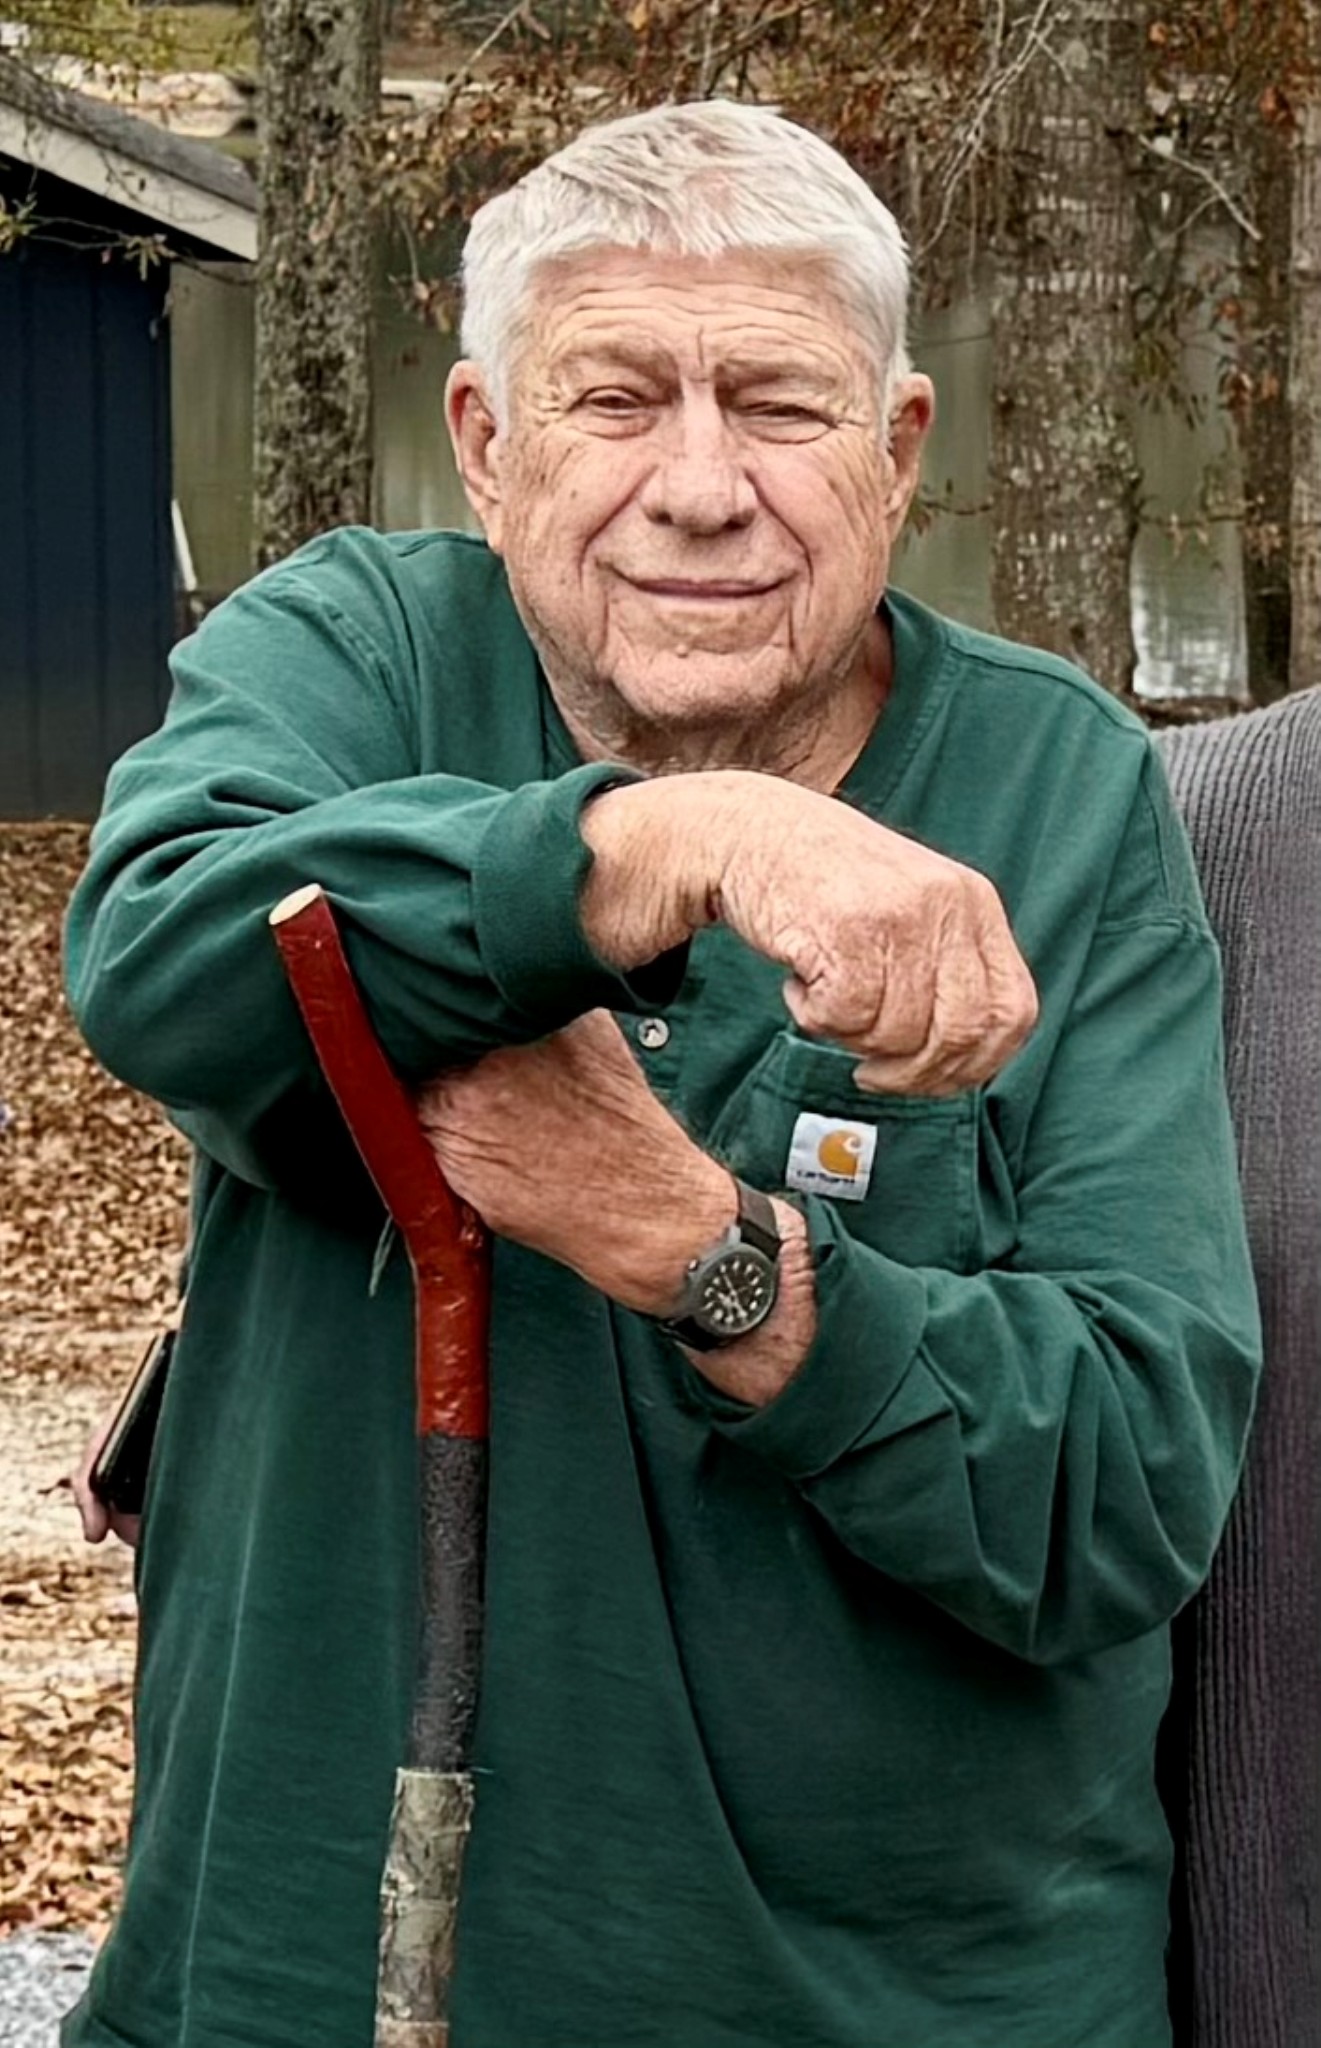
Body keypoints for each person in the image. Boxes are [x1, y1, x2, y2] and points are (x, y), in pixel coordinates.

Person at [65, 99, 1260, 2048]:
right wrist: (667, 844)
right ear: (485, 443)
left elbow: (1118, 1494)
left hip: (899, 2006)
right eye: (614, 399)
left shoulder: (1057, 794)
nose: (699, 486)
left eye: (778, 405)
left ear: (896, 451)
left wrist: (699, 1250)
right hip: (302, 1981)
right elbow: (162, 962)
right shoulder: (356, 663)